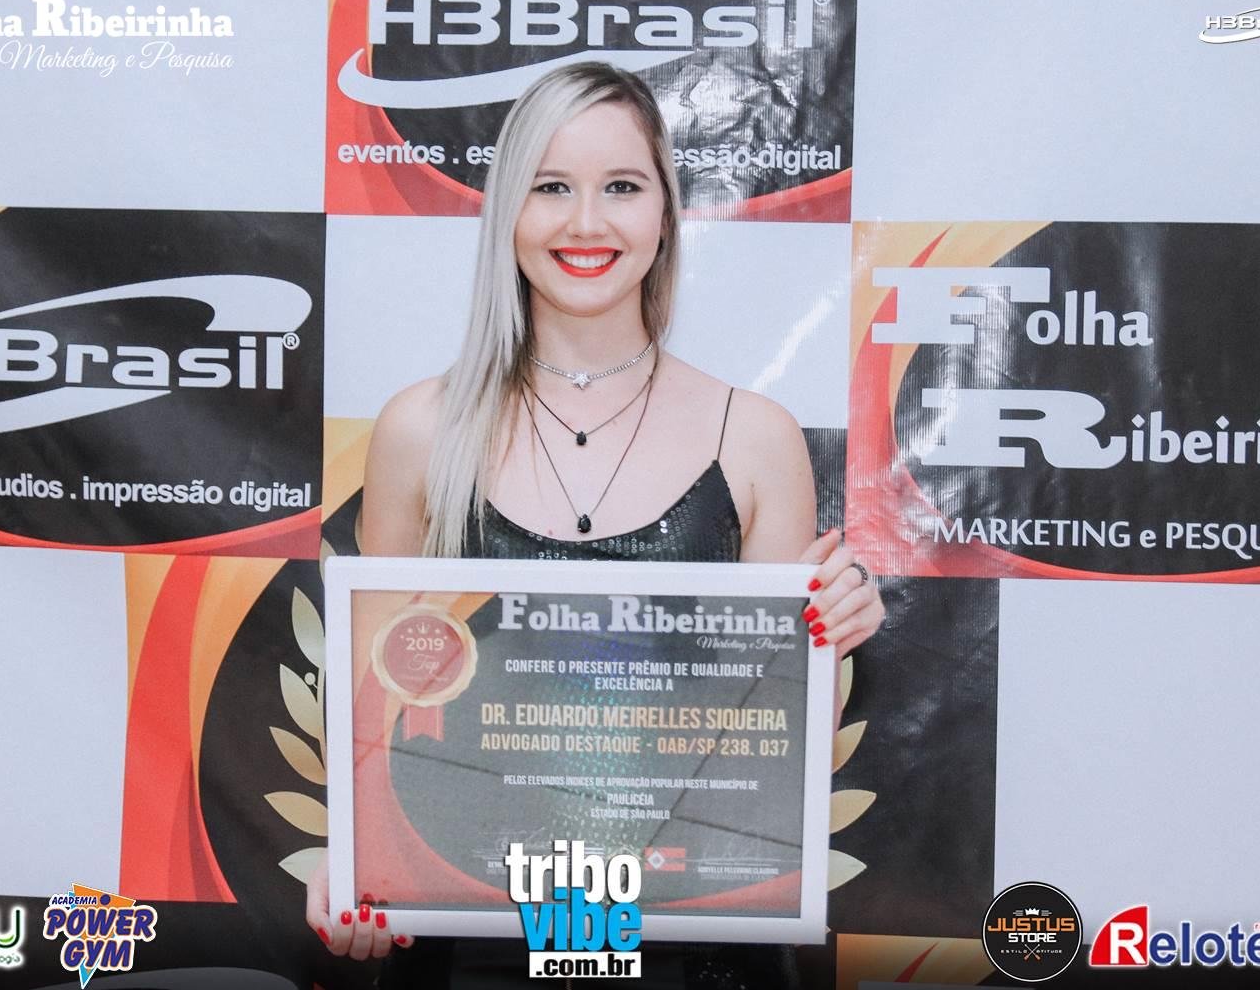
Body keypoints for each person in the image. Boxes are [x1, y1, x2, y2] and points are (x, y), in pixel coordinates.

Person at [308, 61, 884, 985]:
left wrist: (823, 643)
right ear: (508, 212)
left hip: (695, 947)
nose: (586, 222)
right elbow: (378, 707)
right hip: (467, 938)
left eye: (621, 186)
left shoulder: (754, 437)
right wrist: (355, 856)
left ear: (665, 213)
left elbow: (775, 761)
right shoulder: (421, 429)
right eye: (551, 188)